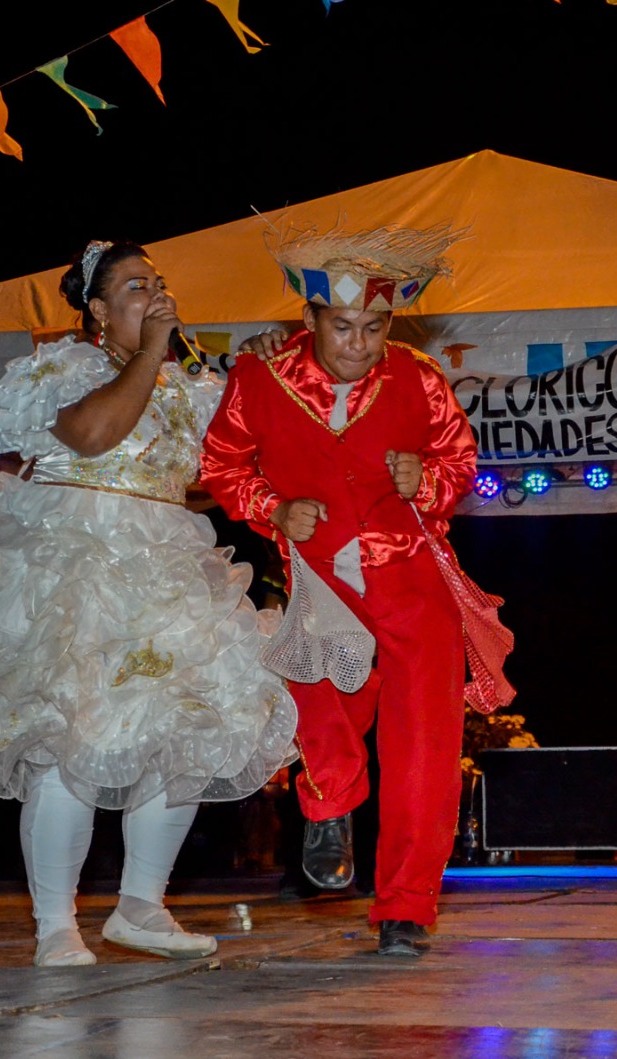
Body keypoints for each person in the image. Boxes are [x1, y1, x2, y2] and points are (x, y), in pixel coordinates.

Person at [0, 239, 297, 967]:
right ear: (96, 309)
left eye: (156, 282)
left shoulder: (187, 387)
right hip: (76, 563)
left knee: (179, 735)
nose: (153, 294)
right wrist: (153, 352)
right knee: (70, 740)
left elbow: (230, 463)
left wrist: (272, 369)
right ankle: (56, 924)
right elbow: (92, 434)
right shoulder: (65, 367)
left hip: (162, 566)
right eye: (132, 286)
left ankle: (141, 907)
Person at [201, 223, 494, 957]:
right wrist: (273, 509)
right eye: (343, 326)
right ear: (308, 321)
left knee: (424, 749)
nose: (359, 343)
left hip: (413, 583)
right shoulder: (260, 378)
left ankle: (406, 907)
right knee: (317, 688)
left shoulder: (419, 377)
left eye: (373, 327)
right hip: (323, 578)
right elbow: (222, 465)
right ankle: (330, 803)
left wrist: (423, 481)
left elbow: (458, 462)